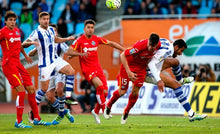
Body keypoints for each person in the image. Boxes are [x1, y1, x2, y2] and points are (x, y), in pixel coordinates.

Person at [22, 11, 78, 125]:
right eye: (44, 19)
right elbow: (29, 46)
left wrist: (71, 44)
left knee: (60, 88)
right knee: (49, 96)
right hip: (46, 67)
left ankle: (63, 107)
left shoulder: (53, 36)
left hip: (57, 67)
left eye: (47, 19)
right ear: (40, 20)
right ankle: (63, 111)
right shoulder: (38, 33)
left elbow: (66, 49)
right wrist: (31, 45)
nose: (46, 21)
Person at [66, 19, 125, 124]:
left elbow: (110, 43)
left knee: (105, 92)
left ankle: (96, 110)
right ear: (84, 29)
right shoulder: (79, 40)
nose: (90, 29)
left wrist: (123, 49)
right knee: (100, 87)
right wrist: (80, 54)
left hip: (98, 68)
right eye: (88, 27)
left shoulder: (96, 39)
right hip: (87, 70)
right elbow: (69, 51)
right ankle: (105, 110)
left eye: (92, 28)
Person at [0, 11, 51, 128]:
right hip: (9, 65)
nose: (13, 22)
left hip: (18, 63)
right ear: (6, 21)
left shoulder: (17, 31)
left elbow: (19, 45)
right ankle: (18, 122)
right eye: (10, 20)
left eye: (14, 20)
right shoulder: (3, 32)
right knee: (22, 91)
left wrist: (26, 55)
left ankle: (37, 119)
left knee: (32, 90)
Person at [104, 33, 163, 124]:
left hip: (141, 69)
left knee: (135, 92)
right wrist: (129, 72)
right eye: (150, 45)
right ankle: (109, 105)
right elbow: (122, 55)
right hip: (128, 66)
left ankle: (126, 111)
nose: (151, 48)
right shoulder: (139, 46)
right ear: (148, 41)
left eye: (153, 46)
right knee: (122, 92)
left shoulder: (158, 45)